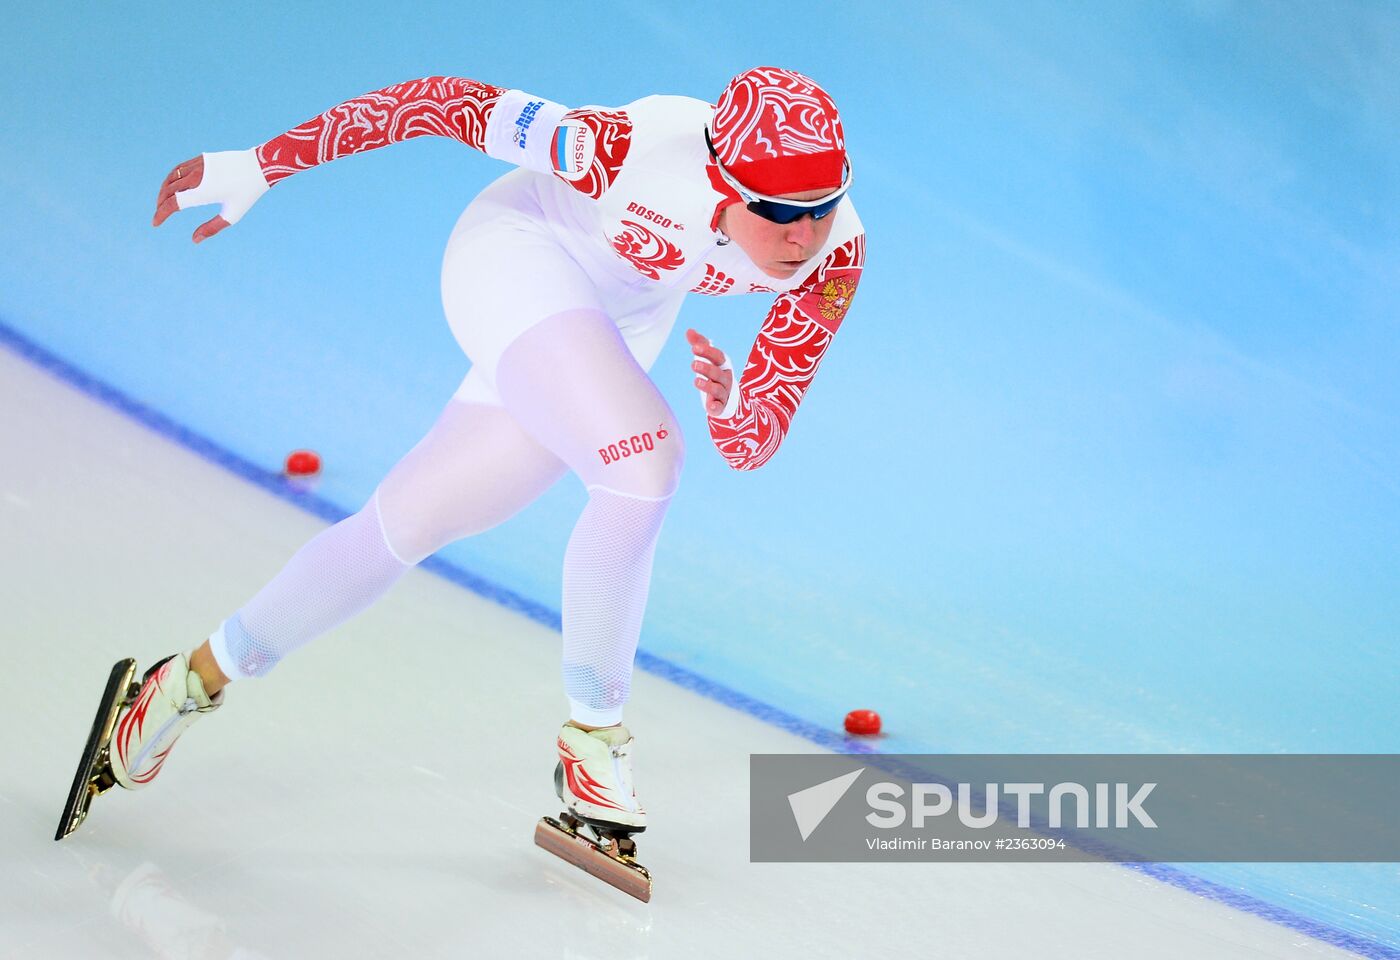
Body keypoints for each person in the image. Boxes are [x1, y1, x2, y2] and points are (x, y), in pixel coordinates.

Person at [113, 66, 866, 836]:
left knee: (405, 524)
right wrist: (264, 161)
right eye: (776, 211)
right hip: (518, 258)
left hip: (614, 327)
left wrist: (735, 407)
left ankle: (185, 681)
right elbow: (440, 101)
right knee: (645, 463)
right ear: (719, 180)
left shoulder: (833, 255)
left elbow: (750, 443)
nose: (800, 235)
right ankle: (595, 743)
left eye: (820, 206)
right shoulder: (622, 148)